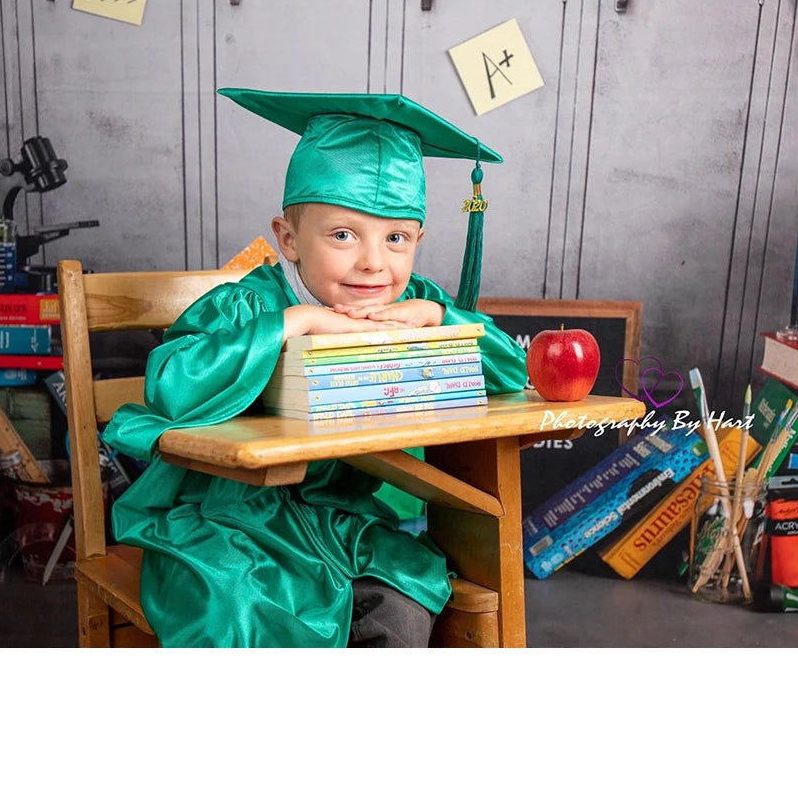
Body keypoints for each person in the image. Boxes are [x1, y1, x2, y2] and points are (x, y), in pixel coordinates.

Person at [102, 88, 529, 647]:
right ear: (288, 239)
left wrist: (439, 316)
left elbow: (511, 372)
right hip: (230, 523)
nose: (374, 262)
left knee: (405, 603)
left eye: (396, 237)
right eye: (343, 235)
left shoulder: (417, 303)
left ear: (418, 240)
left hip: (344, 520)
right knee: (241, 611)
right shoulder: (251, 304)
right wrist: (293, 323)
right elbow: (171, 384)